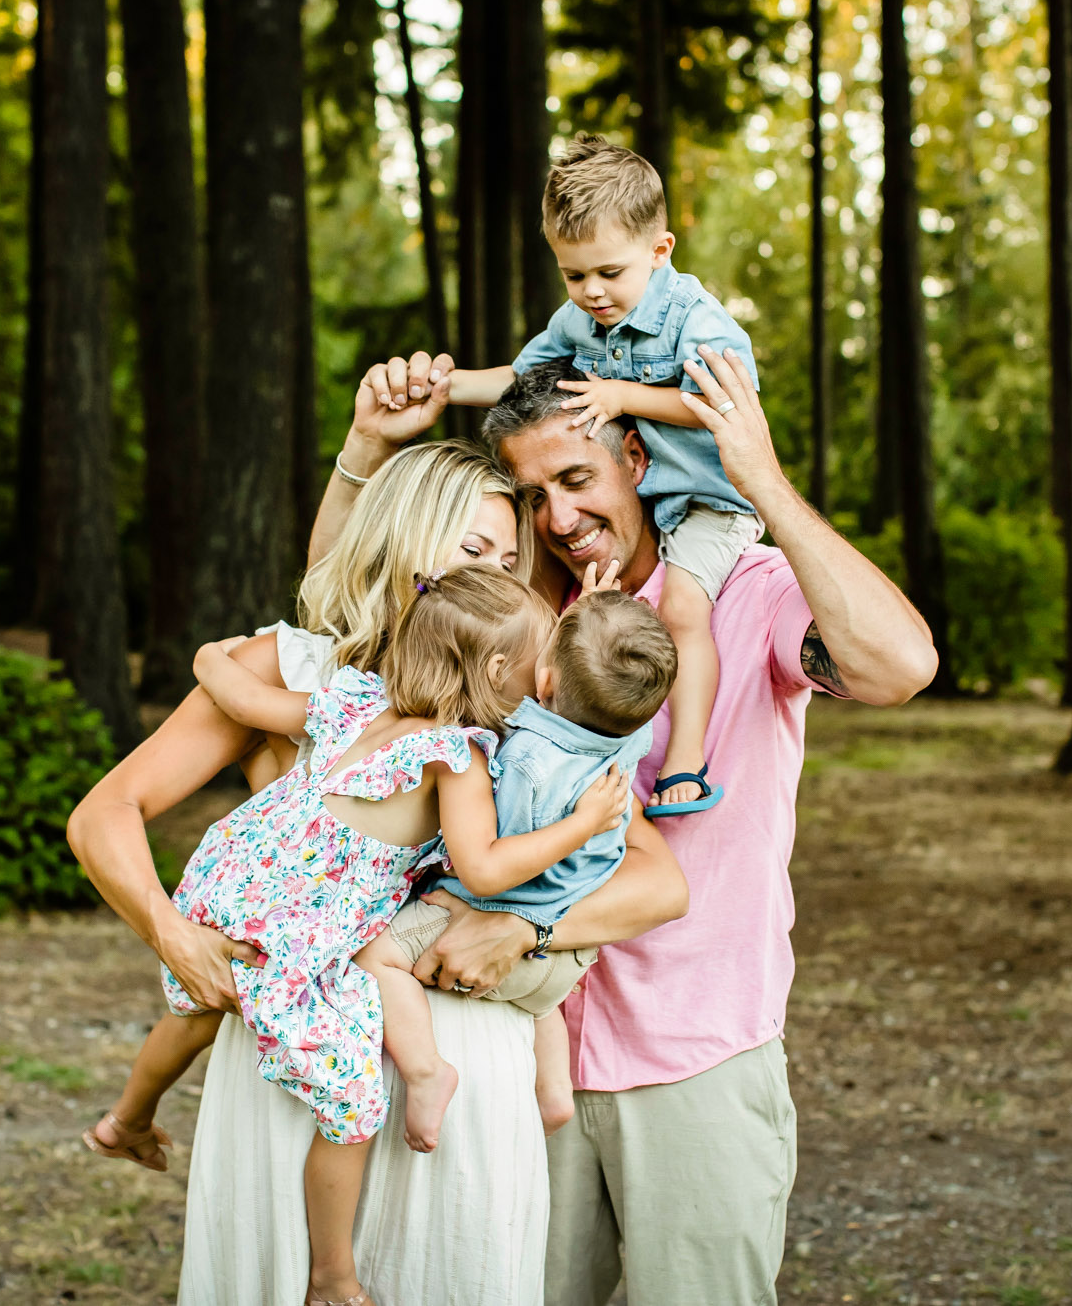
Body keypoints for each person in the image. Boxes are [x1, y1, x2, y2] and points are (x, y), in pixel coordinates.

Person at [66, 381, 691, 1306]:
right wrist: (172, 932)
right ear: (402, 538)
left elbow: (657, 882)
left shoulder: (516, 711)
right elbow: (103, 814)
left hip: (459, 1057)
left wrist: (524, 931)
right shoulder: (301, 672)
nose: (493, 572)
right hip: (296, 1048)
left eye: (508, 557)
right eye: (472, 546)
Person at [359, 344, 938, 1304]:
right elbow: (333, 640)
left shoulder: (738, 593)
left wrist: (763, 482)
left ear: (638, 457)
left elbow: (899, 666)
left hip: (692, 1057)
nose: (558, 516)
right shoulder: (510, 614)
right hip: (511, 1050)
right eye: (533, 492)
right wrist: (364, 450)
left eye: (578, 478)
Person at [131, 566, 632, 1306]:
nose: (551, 678)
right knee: (352, 1103)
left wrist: (209, 655)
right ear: (499, 672)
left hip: (244, 887)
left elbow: (238, 693)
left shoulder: (353, 701)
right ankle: (332, 1275)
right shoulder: (454, 755)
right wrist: (580, 826)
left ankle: (127, 1113)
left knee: (193, 1009)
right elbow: (485, 870)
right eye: (543, 662)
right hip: (304, 936)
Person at [431, 134, 763, 817]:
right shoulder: (580, 318)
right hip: (653, 501)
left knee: (682, 612)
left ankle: (685, 762)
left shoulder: (698, 321)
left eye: (609, 272)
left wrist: (622, 396)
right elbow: (523, 379)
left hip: (709, 502)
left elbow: (728, 409)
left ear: (660, 250)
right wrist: (446, 385)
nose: (593, 292)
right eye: (574, 275)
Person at [388, 585, 678, 1134]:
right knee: (539, 1012)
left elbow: (497, 862)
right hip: (566, 958)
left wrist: (577, 825)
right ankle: (554, 1097)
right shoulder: (629, 736)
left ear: (545, 681)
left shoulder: (524, 758)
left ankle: (425, 1072)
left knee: (374, 956)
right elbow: (604, 688)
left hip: (491, 923)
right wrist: (592, 643)